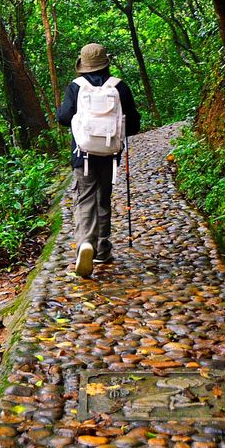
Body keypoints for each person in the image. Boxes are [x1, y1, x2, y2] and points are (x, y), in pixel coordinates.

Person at [56, 43, 140, 278]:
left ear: (83, 65)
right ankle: (103, 248)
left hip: (83, 154)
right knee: (104, 197)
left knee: (84, 199)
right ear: (106, 62)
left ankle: (85, 244)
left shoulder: (76, 87)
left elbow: (63, 117)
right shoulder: (119, 87)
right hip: (110, 153)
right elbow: (133, 123)